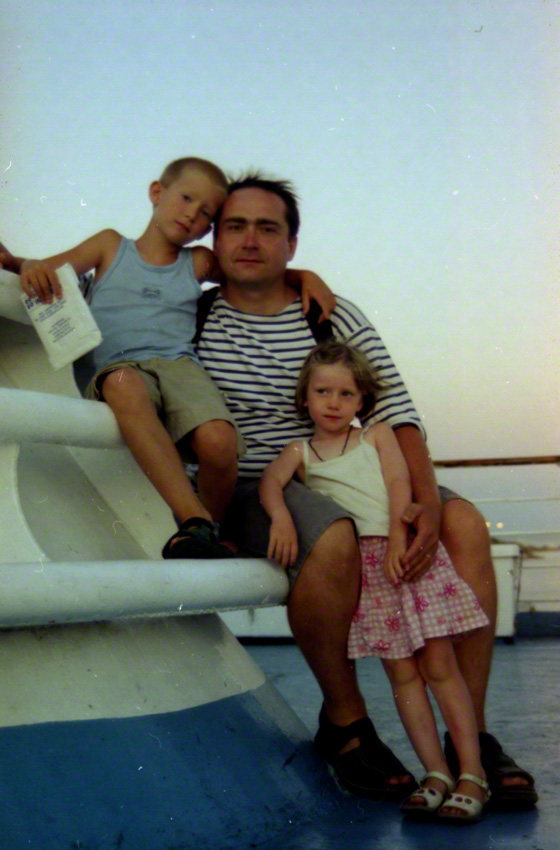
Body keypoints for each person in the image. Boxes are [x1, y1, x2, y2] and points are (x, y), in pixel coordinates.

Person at [194, 172, 538, 807]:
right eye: (235, 226)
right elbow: (130, 288)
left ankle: (474, 743)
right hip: (260, 481)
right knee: (331, 536)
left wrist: (428, 505)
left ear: (292, 245)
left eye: (268, 228)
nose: (250, 241)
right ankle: (346, 723)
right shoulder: (197, 314)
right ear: (214, 239)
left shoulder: (330, 311)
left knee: (463, 526)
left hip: (357, 468)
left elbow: (399, 415)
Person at [16, 158, 334, 560]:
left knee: (219, 440)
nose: (192, 215)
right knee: (123, 385)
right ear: (156, 192)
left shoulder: (198, 262)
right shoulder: (110, 245)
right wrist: (23, 264)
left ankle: (206, 536)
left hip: (179, 367)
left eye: (207, 214)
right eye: (186, 198)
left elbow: (254, 267)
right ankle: (193, 522)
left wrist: (304, 275)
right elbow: (50, 270)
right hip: (120, 367)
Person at [260, 339, 493, 822]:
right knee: (401, 674)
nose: (333, 402)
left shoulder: (376, 436)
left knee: (439, 664)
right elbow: (268, 483)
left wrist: (394, 537)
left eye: (346, 394)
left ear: (362, 401)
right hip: (366, 572)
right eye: (323, 391)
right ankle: (435, 772)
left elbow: (397, 483)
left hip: (401, 556)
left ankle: (472, 771)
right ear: (305, 397)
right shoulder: (300, 451)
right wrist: (280, 515)